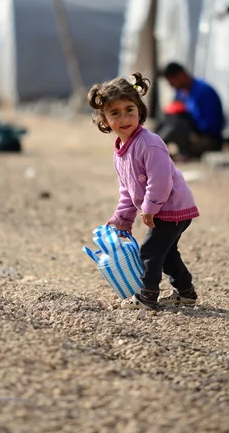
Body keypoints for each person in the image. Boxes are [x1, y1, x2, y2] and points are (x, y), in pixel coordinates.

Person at [87, 72, 199, 311]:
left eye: (129, 109)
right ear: (104, 120)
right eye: (115, 113)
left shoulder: (149, 143)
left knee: (150, 251)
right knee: (167, 253)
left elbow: (161, 181)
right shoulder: (121, 151)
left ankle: (147, 295)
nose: (124, 117)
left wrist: (149, 208)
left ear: (139, 110)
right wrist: (122, 219)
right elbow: (127, 191)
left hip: (173, 206)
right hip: (165, 207)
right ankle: (186, 292)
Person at [158, 62, 225, 160]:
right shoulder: (181, 92)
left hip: (209, 140)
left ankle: (154, 150)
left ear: (180, 75)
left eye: (172, 82)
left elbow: (211, 126)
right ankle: (153, 149)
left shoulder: (203, 91)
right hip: (192, 135)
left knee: (178, 125)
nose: (172, 86)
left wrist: (189, 123)